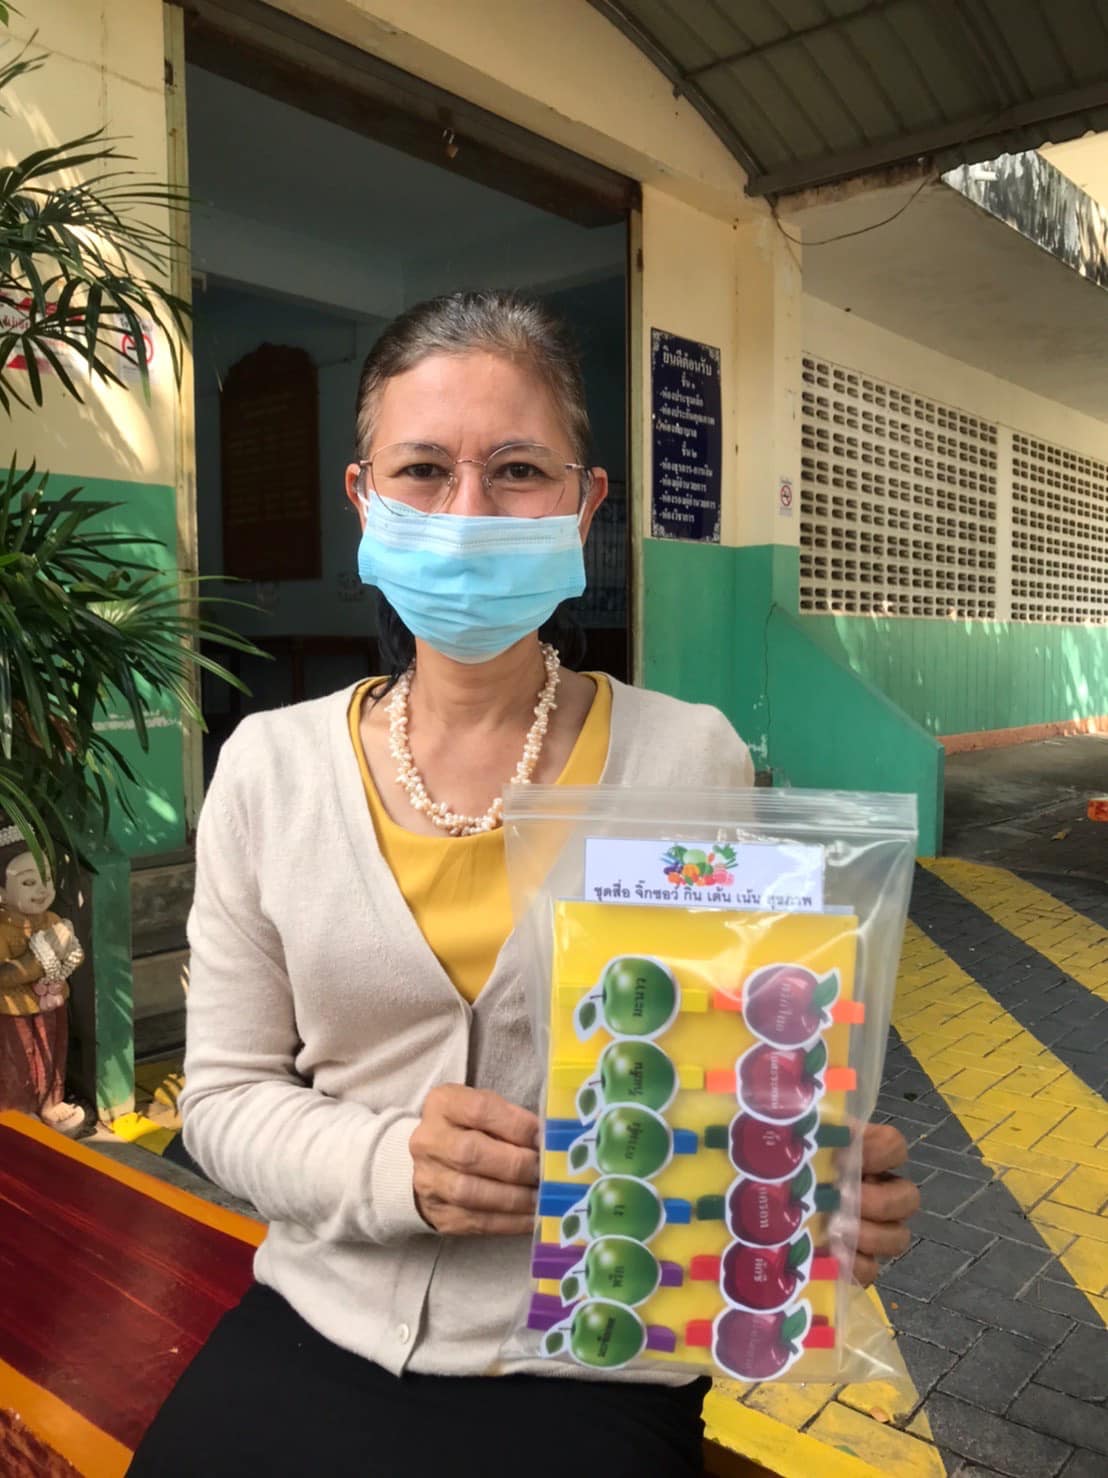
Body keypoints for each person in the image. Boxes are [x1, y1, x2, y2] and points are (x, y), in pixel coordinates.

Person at [129, 291, 918, 1477]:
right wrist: (393, 1166)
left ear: (584, 504)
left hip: (592, 1349)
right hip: (321, 1312)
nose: (465, 513)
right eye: (421, 469)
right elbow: (226, 1097)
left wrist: (804, 1174)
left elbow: (720, 1069)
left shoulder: (687, 758)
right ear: (362, 497)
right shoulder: (268, 768)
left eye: (515, 470)